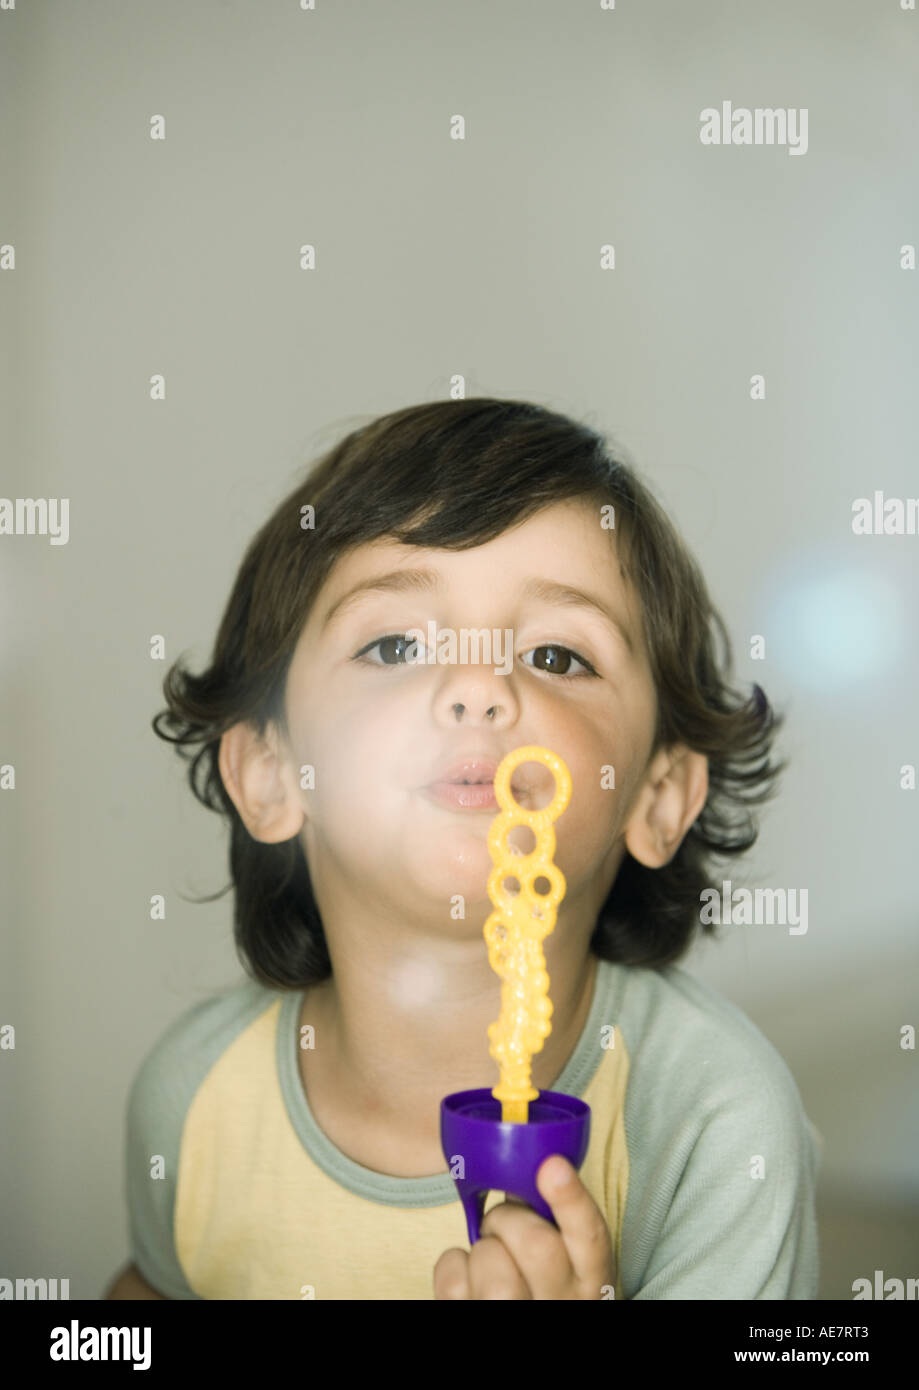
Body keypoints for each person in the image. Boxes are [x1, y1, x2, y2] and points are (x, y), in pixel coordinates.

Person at [106, 397, 820, 1300]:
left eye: (558, 657)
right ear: (272, 775)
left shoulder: (714, 1124)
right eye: (397, 643)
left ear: (657, 796)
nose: (478, 688)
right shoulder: (193, 1097)